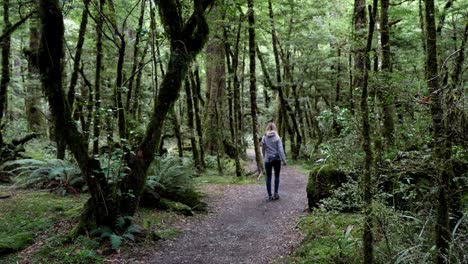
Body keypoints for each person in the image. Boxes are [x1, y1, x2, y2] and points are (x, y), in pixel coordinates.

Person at [261, 122, 286, 200]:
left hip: (267, 160)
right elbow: (280, 150)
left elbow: (263, 149)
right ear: (275, 128)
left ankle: (269, 195)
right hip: (276, 159)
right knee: (277, 176)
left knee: (268, 177)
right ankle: (276, 193)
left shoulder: (264, 137)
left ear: (267, 128)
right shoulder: (277, 137)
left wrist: (265, 156)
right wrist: (284, 160)